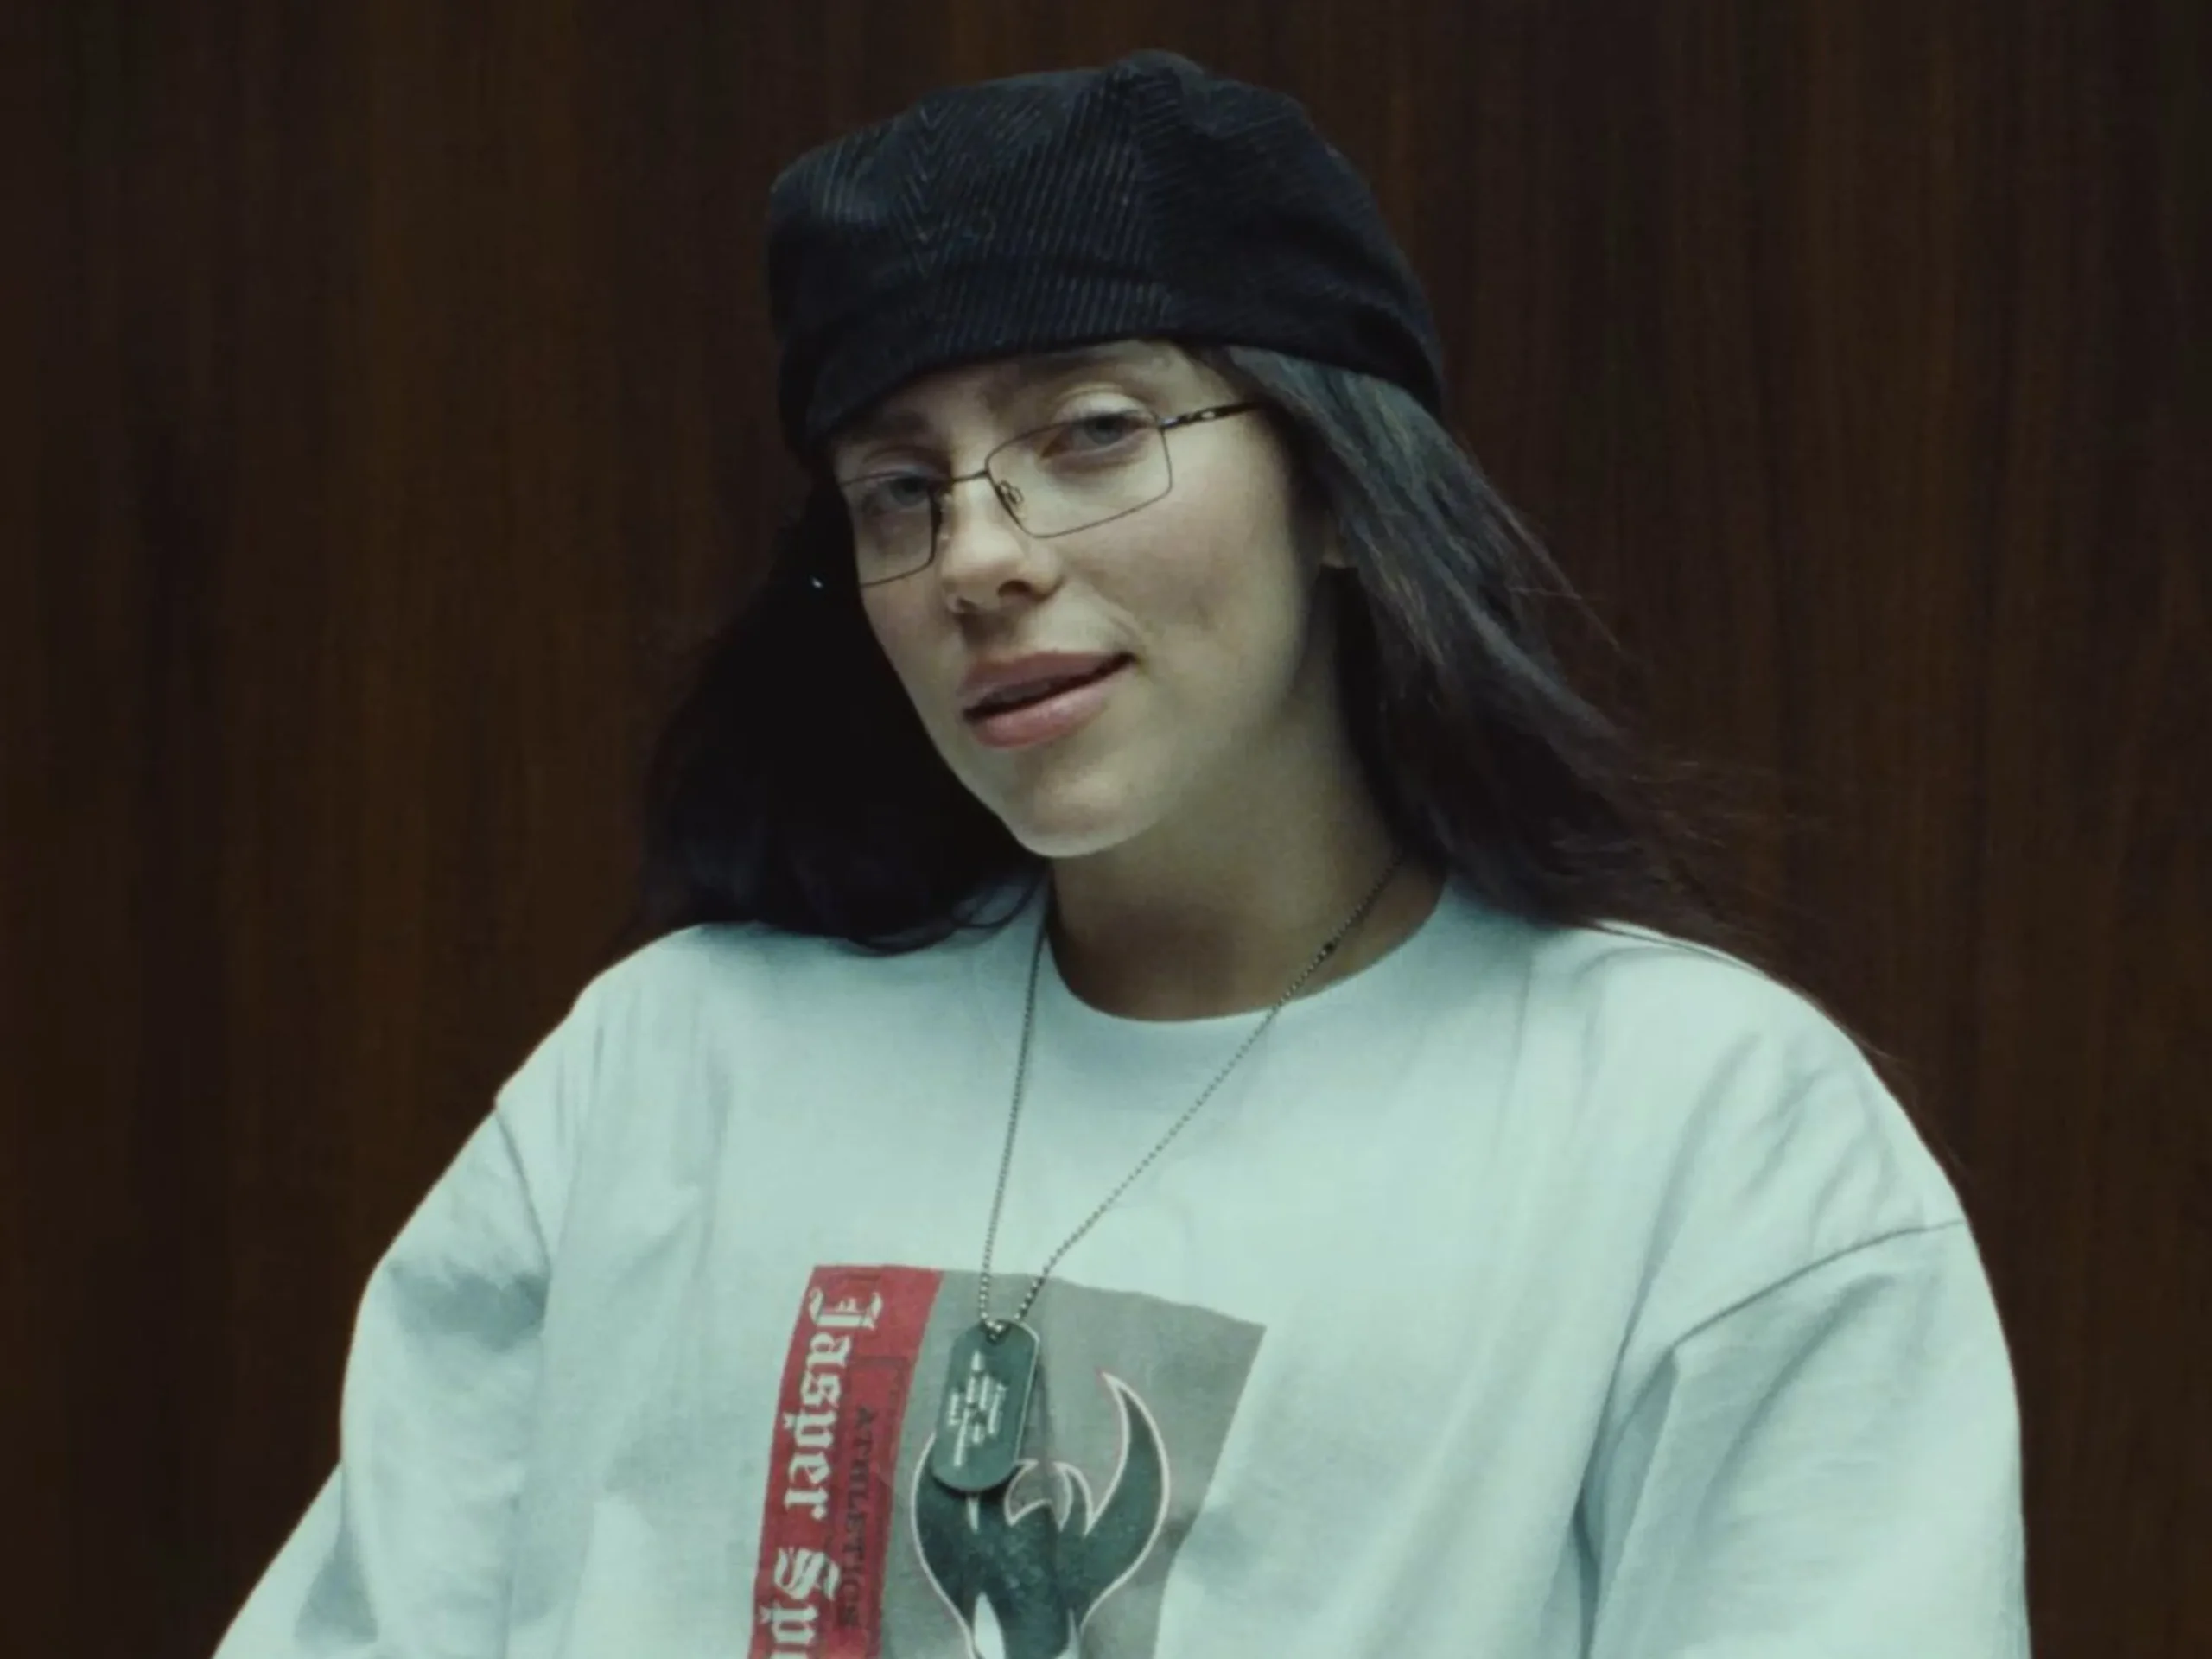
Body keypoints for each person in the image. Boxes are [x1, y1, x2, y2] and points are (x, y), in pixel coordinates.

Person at [217, 49, 2029, 1659]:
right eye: (899, 490)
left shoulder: (1699, 1135)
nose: (978, 556)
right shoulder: (666, 1071)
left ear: (1335, 482)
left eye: (1091, 434)